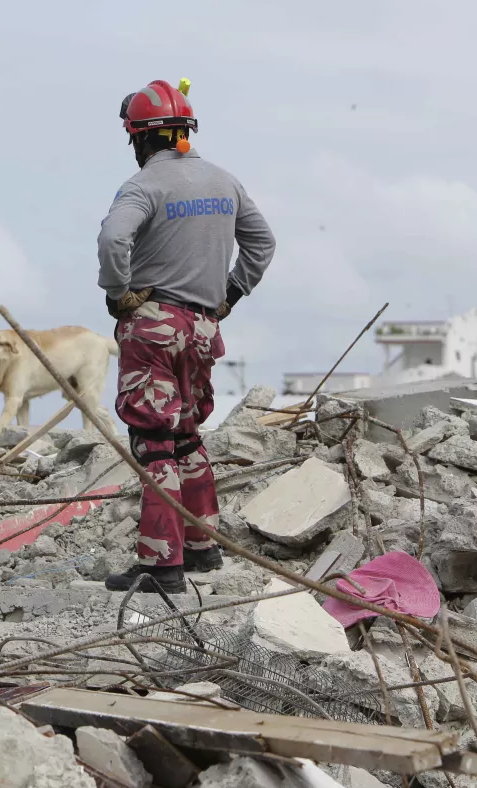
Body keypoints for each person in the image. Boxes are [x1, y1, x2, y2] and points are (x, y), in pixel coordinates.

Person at [97, 78, 276, 593]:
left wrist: (117, 292)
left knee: (154, 439)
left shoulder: (144, 186)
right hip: (202, 328)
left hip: (152, 326)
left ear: (143, 138)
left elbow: (114, 238)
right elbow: (262, 243)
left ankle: (161, 565)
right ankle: (202, 547)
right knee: (187, 435)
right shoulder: (224, 181)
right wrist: (232, 292)